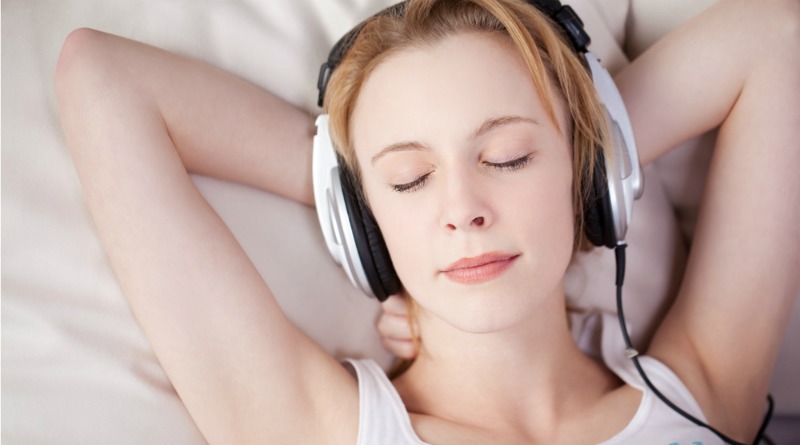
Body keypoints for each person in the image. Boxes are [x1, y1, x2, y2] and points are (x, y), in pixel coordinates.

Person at [55, 0, 799, 443]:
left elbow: (778, 38)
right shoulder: (311, 426)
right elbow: (100, 77)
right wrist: (348, 191)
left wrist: (596, 150)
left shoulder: (703, 386)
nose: (461, 209)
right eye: (410, 177)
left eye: (507, 156)